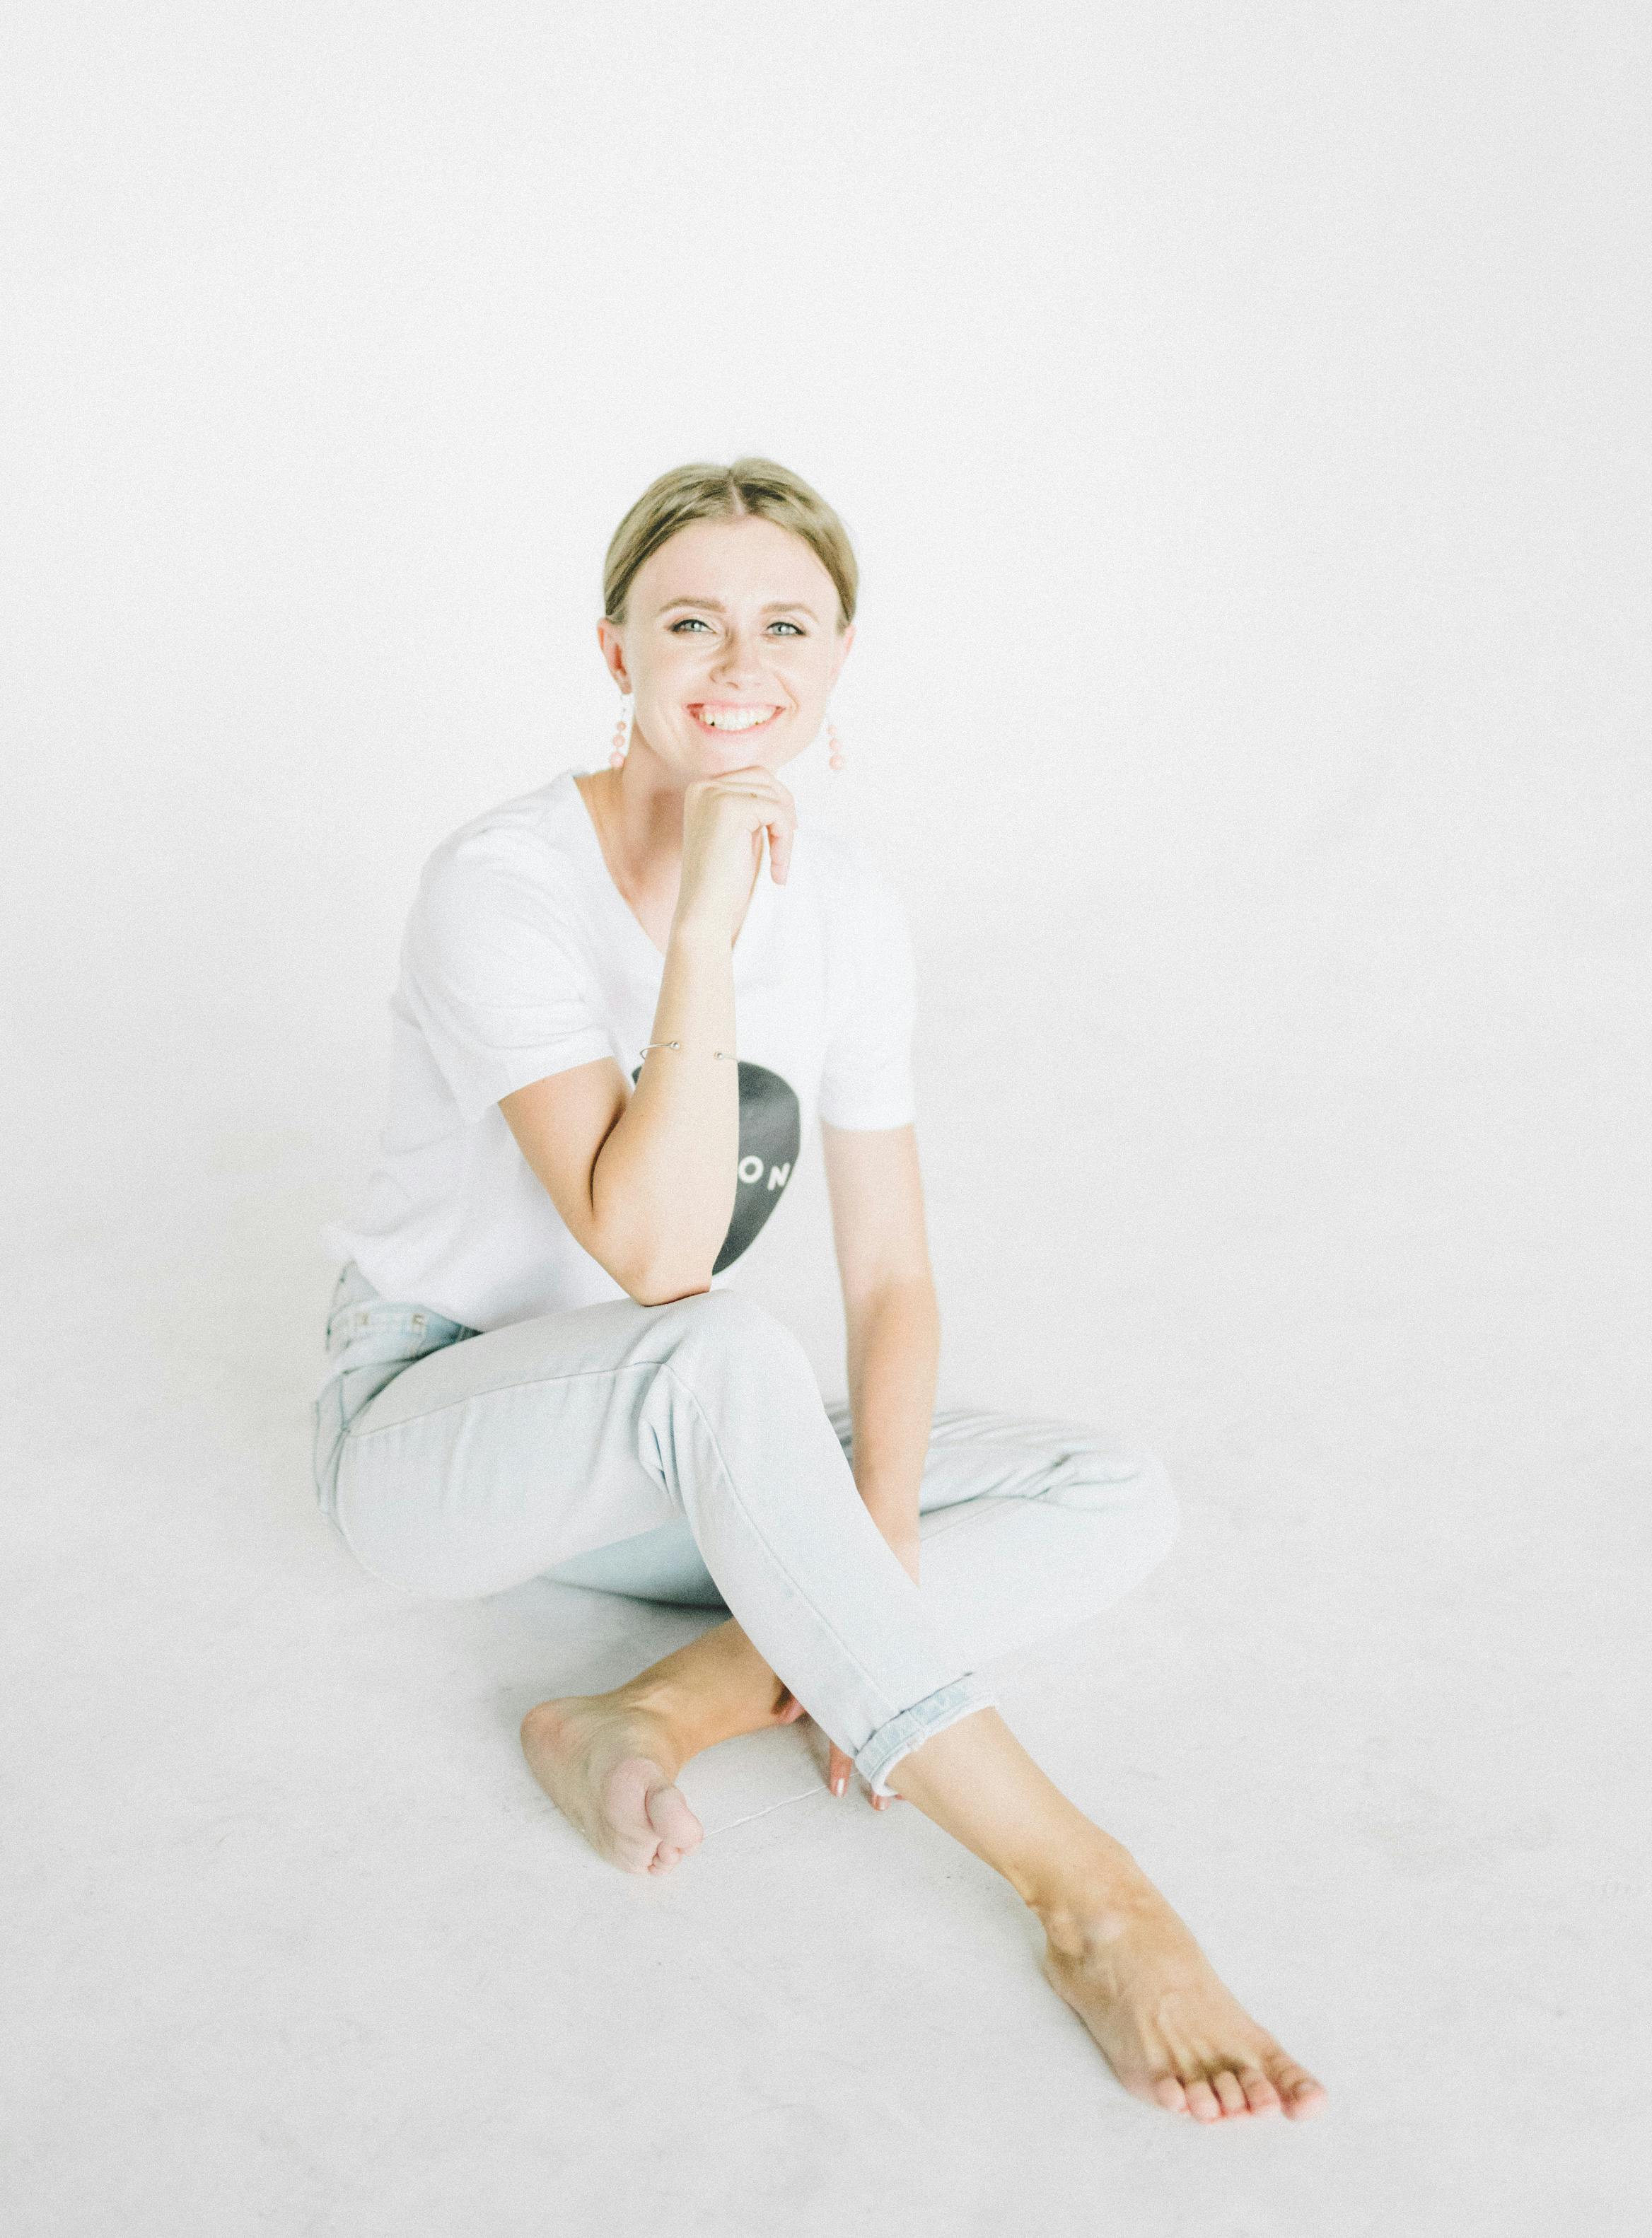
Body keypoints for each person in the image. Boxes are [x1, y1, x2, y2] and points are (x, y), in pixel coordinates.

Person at [313, 457, 1326, 2127]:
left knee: (1106, 1492)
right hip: (433, 1426)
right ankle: (1090, 1894)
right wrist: (703, 930)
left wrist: (877, 1542)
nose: (737, 663)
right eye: (689, 620)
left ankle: (640, 1711)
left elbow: (893, 1271)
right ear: (611, 646)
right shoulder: (499, 880)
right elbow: (654, 1256)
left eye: (786, 624)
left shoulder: (852, 910)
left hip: (672, 1446)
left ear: (840, 658)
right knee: (712, 1341)